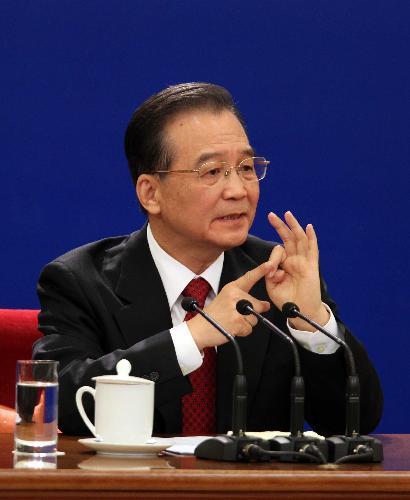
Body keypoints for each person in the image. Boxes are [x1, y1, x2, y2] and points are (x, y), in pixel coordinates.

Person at [33, 82, 383, 437]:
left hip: (251, 493)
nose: (238, 190)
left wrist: (311, 324)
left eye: (246, 168)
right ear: (151, 193)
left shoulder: (277, 273)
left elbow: (353, 423)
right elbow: (55, 405)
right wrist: (192, 337)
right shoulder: (80, 280)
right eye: (212, 172)